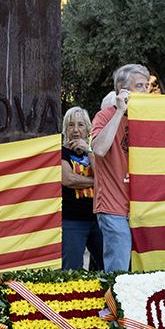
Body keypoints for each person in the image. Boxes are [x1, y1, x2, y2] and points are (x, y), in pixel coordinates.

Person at [91, 64, 150, 273]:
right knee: (119, 270)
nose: (145, 91)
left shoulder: (148, 117)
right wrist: (120, 112)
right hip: (113, 206)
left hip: (142, 207)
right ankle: (114, 306)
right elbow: (98, 149)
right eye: (139, 86)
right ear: (121, 90)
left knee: (145, 269)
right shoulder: (105, 115)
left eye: (146, 86)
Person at [60, 107, 103, 271]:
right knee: (72, 270)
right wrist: (95, 181)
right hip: (72, 220)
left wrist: (89, 150)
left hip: (98, 219)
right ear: (66, 129)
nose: (76, 130)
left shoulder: (94, 151)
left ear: (88, 129)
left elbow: (104, 175)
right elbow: (68, 179)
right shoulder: (61, 152)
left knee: (107, 266)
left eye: (80, 125)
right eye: (71, 125)